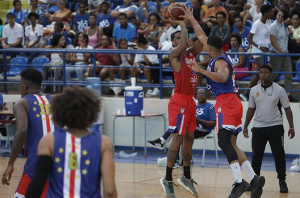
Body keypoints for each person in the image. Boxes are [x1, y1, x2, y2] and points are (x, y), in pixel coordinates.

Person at [183, 6, 265, 197]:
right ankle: (254, 178)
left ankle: (239, 182)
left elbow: (222, 77)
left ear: (209, 49)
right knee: (232, 145)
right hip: (233, 102)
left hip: (226, 103)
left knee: (222, 142)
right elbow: (202, 35)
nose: (203, 45)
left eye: (205, 45)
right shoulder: (216, 53)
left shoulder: (220, 61)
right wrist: (191, 19)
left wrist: (200, 70)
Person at [25, 86, 118, 198]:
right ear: (92, 113)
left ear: (59, 112)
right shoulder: (104, 143)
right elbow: (109, 190)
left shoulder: (49, 141)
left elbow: (37, 185)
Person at [159, 8, 204, 197]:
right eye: (177, 37)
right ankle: (168, 178)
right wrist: (180, 23)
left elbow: (203, 39)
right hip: (179, 101)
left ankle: (186, 176)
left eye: (182, 36)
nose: (182, 39)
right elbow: (185, 42)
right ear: (174, 42)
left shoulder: (193, 54)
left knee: (190, 139)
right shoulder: (175, 55)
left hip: (190, 101)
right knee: (177, 139)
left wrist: (192, 19)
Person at [1, 67, 59, 197]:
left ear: (25, 86)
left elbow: (22, 130)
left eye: (20, 83)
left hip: (37, 163)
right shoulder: (56, 100)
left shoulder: (22, 103)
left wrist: (10, 163)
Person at [243, 64, 295, 193]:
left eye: (266, 72)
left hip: (275, 127)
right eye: (261, 72)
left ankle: (282, 181)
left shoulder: (279, 90)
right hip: (258, 127)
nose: (263, 75)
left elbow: (287, 109)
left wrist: (291, 127)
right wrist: (245, 126)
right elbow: (250, 109)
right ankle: (255, 181)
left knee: (279, 155)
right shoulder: (254, 90)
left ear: (270, 74)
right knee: (256, 156)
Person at [148, 88, 216, 150]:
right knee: (178, 131)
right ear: (196, 96)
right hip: (191, 126)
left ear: (206, 95)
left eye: (203, 93)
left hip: (203, 129)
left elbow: (214, 123)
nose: (201, 95)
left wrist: (200, 121)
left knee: (180, 128)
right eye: (199, 93)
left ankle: (162, 141)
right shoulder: (194, 105)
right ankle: (177, 159)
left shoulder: (210, 106)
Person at [240, 4, 273, 101]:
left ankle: (249, 92)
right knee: (262, 71)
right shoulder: (257, 23)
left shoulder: (267, 23)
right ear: (266, 13)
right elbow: (249, 38)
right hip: (258, 50)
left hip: (264, 50)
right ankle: (247, 93)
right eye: (270, 12)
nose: (272, 14)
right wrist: (259, 46)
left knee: (261, 71)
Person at [270, 8, 298, 102]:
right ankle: (268, 92)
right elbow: (273, 41)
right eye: (279, 15)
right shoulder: (273, 26)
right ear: (276, 15)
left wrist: (289, 31)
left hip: (285, 53)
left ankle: (288, 94)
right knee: (273, 74)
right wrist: (280, 51)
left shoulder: (284, 25)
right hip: (276, 53)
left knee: (289, 74)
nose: (280, 18)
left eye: (282, 16)